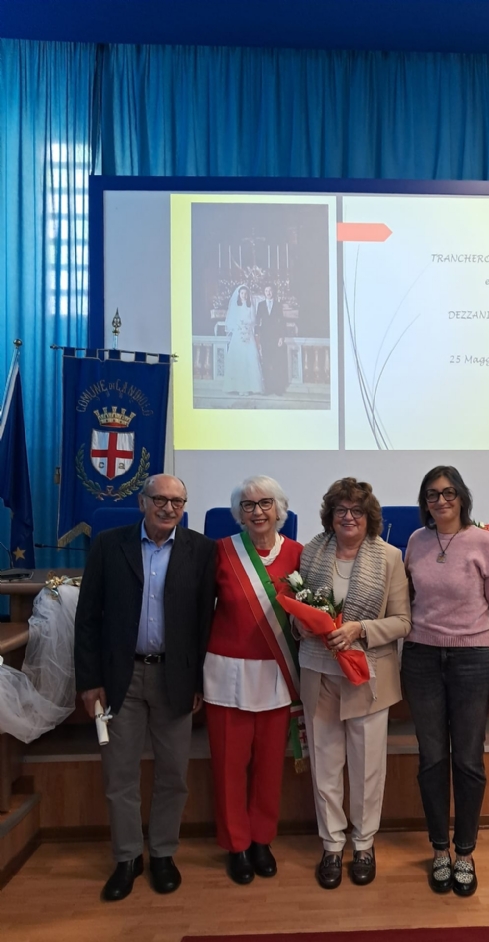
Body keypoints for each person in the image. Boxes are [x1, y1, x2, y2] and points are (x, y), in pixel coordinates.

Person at [74, 474, 216, 901]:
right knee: (120, 774)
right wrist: (90, 681)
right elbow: (88, 618)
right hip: (119, 679)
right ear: (142, 502)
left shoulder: (200, 550)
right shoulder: (108, 545)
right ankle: (127, 857)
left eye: (178, 501)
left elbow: (202, 624)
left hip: (174, 678)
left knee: (173, 774)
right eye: (160, 499)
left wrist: (196, 680)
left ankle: (163, 853)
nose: (169, 507)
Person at [401, 466, 489, 898]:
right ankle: (439, 850)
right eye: (431, 494)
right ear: (423, 501)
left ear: (462, 496)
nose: (440, 501)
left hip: (473, 660)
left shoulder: (484, 543)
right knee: (431, 760)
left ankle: (465, 851)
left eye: (448, 493)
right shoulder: (415, 542)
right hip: (422, 659)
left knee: (467, 760)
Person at [295, 478, 410, 889]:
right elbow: (299, 609)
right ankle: (331, 845)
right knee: (325, 763)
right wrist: (301, 623)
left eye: (356, 511)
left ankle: (363, 844)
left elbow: (402, 621)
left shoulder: (390, 557)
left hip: (368, 675)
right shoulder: (311, 552)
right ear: (330, 516)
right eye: (341, 510)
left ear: (369, 517)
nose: (348, 517)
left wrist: (359, 629)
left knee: (366, 768)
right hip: (319, 670)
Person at [202, 475, 303, 885]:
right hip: (227, 673)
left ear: (280, 509)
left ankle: (262, 839)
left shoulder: (299, 554)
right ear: (238, 514)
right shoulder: (221, 552)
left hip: (277, 675)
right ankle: (237, 845)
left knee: (267, 766)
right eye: (248, 505)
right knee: (229, 764)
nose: (257, 511)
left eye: (265, 504)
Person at [224, 284, 264, 396]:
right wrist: (239, 327)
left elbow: (253, 320)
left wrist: (247, 327)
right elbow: (231, 321)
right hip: (238, 335)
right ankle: (237, 386)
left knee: (249, 359)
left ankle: (251, 386)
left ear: (248, 295)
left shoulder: (250, 307)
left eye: (246, 293)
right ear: (239, 294)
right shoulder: (235, 307)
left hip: (248, 334)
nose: (244, 295)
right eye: (242, 293)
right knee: (239, 359)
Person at [255, 284, 288, 395]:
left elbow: (282, 322)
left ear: (273, 292)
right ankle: (268, 388)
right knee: (266, 363)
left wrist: (281, 337)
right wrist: (258, 336)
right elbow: (257, 322)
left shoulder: (278, 305)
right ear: (264, 292)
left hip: (275, 338)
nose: (268, 293)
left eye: (270, 290)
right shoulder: (260, 305)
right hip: (265, 338)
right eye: (266, 290)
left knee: (277, 362)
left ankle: (278, 389)